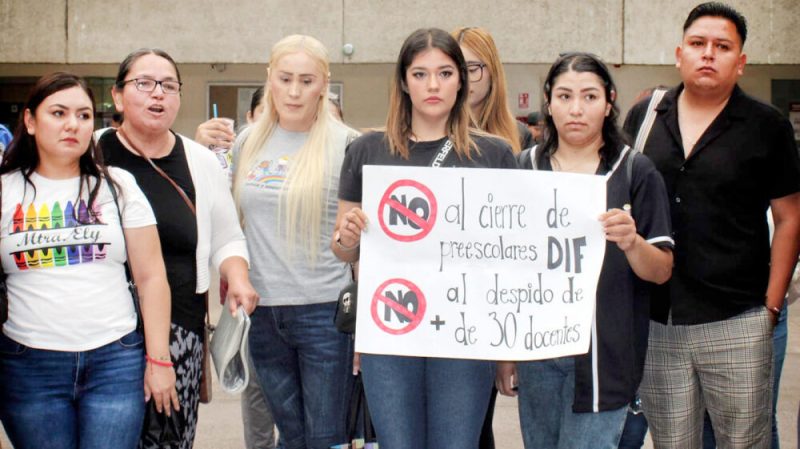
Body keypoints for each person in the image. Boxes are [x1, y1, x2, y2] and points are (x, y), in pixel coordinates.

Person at [622, 3, 800, 448]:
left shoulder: (767, 126)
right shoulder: (645, 118)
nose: (708, 54)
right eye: (698, 43)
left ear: (740, 62)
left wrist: (770, 309)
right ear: (679, 54)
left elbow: (790, 217)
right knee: (672, 442)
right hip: (658, 321)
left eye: (722, 47)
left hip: (738, 318)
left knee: (746, 441)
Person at [333, 28, 517, 449]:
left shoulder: (494, 155)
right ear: (403, 81)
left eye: (445, 73)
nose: (433, 85)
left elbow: (508, 259)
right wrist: (348, 236)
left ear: (461, 81)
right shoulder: (367, 150)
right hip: (391, 332)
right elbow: (344, 250)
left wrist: (506, 350)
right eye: (420, 74)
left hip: (465, 336)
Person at [497, 52, 674, 449]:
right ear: (548, 102)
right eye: (564, 96)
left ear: (609, 102)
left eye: (590, 97)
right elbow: (506, 267)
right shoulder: (523, 169)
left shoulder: (635, 171)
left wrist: (632, 242)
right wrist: (506, 353)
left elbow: (661, 269)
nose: (576, 109)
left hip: (605, 356)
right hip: (537, 352)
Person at [0, 72, 177, 449]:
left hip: (114, 362)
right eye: (58, 113)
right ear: (30, 121)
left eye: (83, 116)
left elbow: (151, 277)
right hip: (29, 366)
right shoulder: (5, 190)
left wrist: (159, 361)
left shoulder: (117, 185)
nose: (73, 125)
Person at [99, 48, 258, 449]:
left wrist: (237, 276)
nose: (158, 94)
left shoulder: (199, 161)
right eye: (144, 84)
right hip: (101, 332)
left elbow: (227, 237)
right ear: (118, 96)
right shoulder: (90, 152)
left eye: (169, 86)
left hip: (178, 333)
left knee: (168, 440)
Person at [232, 35, 359, 449]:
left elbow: (359, 246)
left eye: (306, 81)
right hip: (263, 314)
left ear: (324, 83)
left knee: (326, 437)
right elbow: (235, 226)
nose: (294, 91)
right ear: (269, 77)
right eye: (285, 78)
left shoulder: (347, 145)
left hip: (324, 313)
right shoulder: (247, 142)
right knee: (291, 435)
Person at [449, 25, 531, 449]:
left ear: (492, 72)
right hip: (437, 301)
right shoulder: (425, 136)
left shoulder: (520, 143)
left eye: (473, 68)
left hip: (491, 305)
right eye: (454, 68)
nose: (465, 78)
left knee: (476, 427)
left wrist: (508, 346)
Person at [196, 86, 278, 449]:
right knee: (255, 388)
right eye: (265, 112)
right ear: (248, 119)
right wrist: (202, 150)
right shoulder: (227, 158)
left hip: (297, 294)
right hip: (246, 293)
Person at [452, 26, 531, 153]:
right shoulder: (432, 133)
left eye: (472, 70)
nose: (463, 80)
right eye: (450, 71)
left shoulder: (520, 135)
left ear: (493, 71)